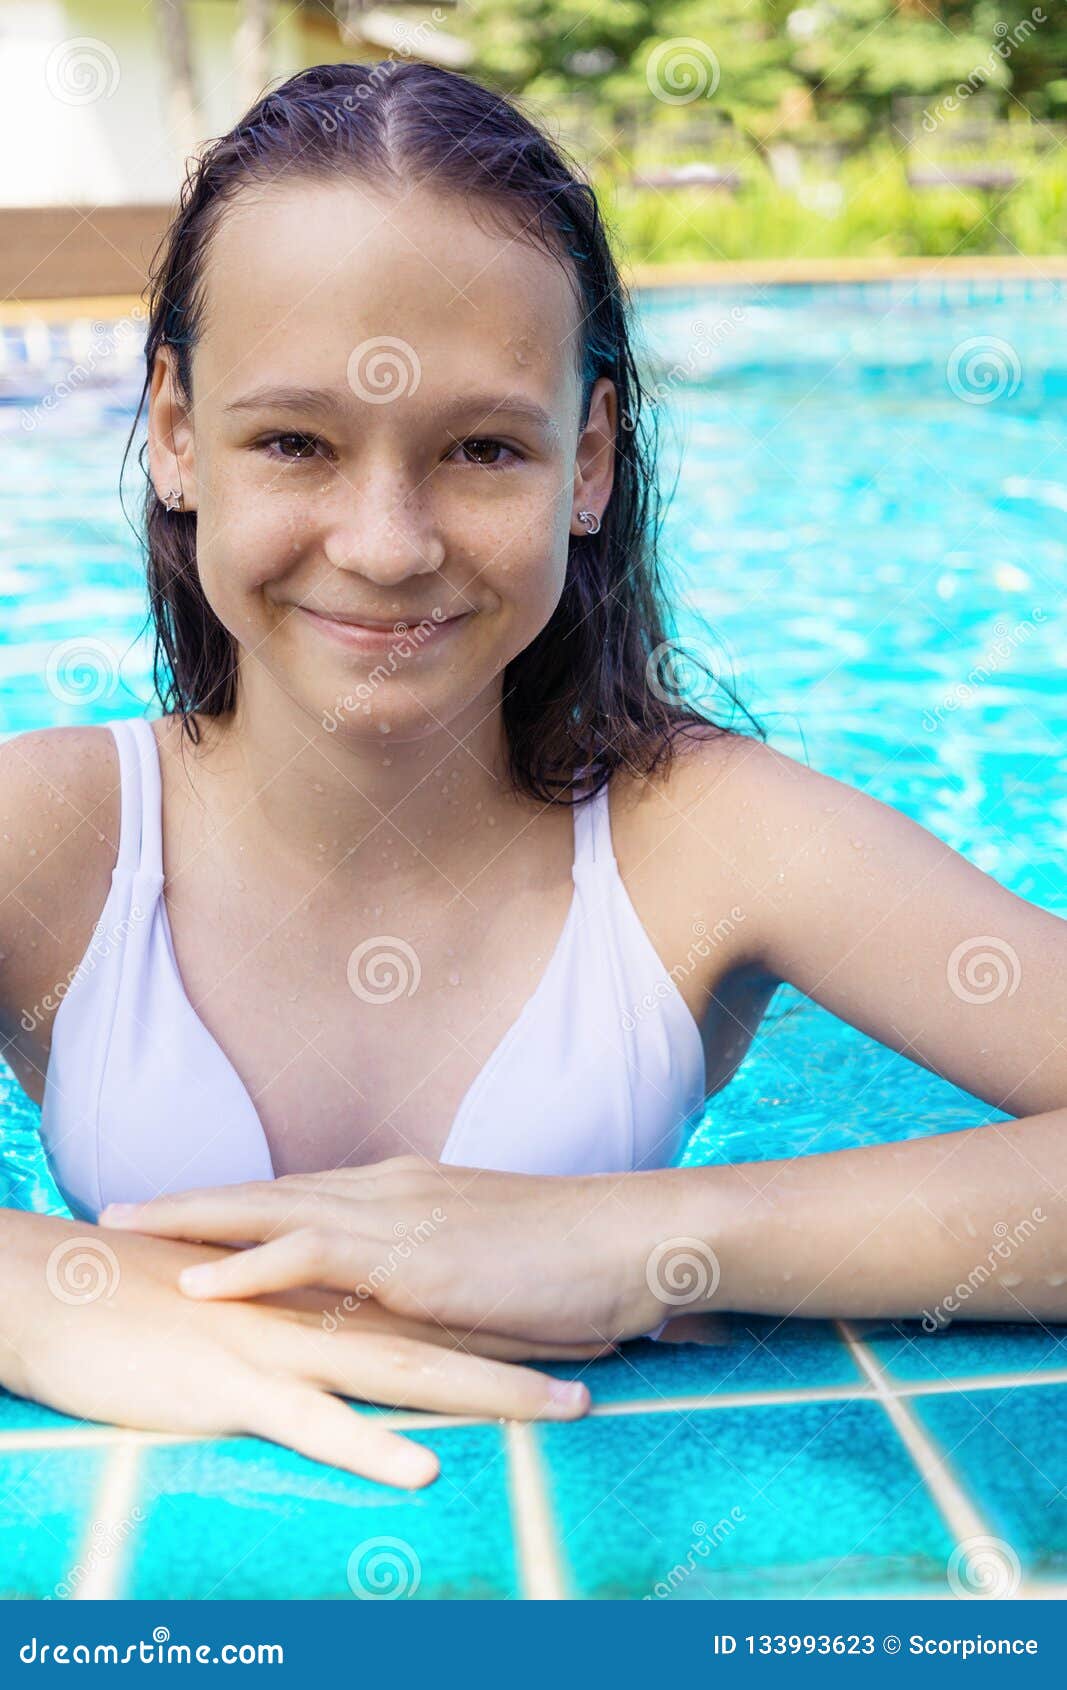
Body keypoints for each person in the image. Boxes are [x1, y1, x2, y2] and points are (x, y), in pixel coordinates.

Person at [4, 63, 1066, 1492]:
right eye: (296, 441)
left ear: (590, 460)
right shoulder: (60, 837)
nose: (386, 544)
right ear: (181, 436)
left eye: (484, 448)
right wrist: (44, 1286)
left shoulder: (701, 835)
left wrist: (632, 1237)